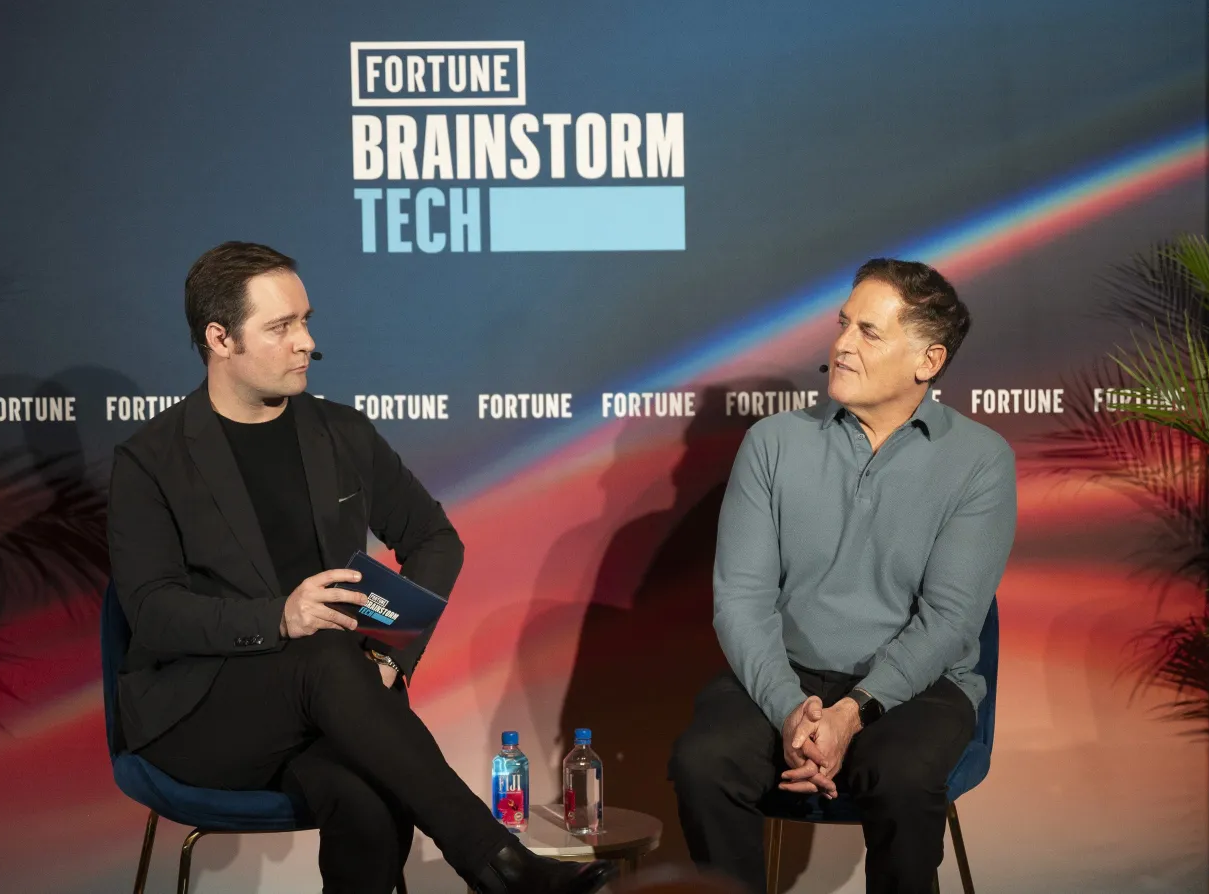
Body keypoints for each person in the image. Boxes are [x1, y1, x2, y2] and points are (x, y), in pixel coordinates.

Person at [107, 242, 615, 894]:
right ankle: (500, 866)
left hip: (331, 703)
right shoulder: (151, 459)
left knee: (369, 801)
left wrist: (389, 653)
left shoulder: (340, 434)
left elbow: (435, 539)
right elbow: (151, 609)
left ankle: (500, 871)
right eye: (280, 327)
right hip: (201, 714)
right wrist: (278, 617)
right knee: (323, 655)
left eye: (306, 320)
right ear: (219, 338)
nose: (306, 344)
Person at [669, 259, 1017, 894]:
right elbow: (741, 600)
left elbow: (949, 622)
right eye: (842, 324)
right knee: (704, 759)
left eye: (869, 332)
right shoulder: (772, 443)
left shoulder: (981, 461)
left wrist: (851, 713)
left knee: (904, 772)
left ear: (928, 361)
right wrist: (789, 711)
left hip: (921, 685)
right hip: (786, 674)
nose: (842, 346)